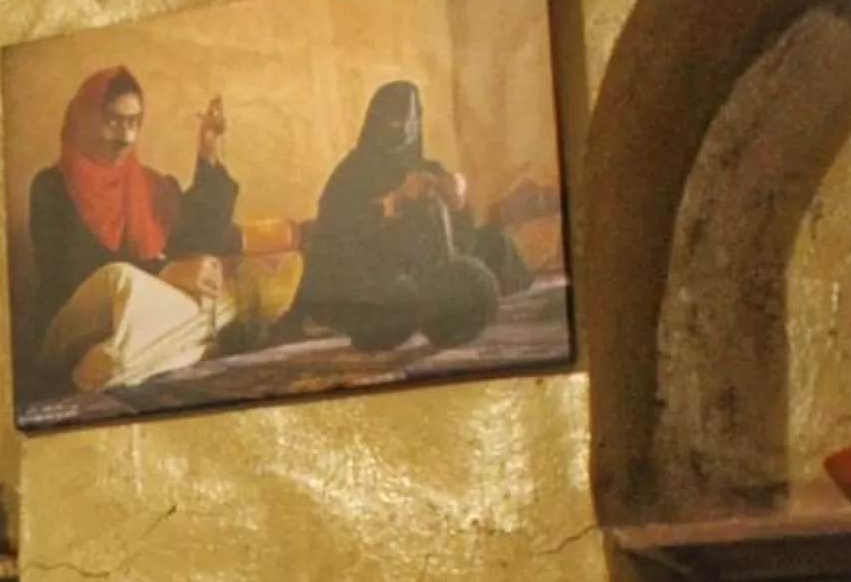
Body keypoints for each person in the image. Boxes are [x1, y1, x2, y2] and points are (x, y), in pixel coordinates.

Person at [26, 68, 240, 393]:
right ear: (85, 118)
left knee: (223, 298)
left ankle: (114, 362)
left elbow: (195, 237)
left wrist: (207, 151)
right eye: (113, 121)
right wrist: (167, 271)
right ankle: (181, 349)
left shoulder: (151, 185)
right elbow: (69, 273)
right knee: (122, 278)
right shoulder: (51, 187)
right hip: (74, 326)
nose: (125, 137)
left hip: (135, 321)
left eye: (134, 123)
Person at [291, 80, 503, 354]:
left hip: (424, 277)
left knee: (495, 246)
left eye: (410, 120)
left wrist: (457, 203)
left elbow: (462, 241)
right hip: (363, 280)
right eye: (393, 120)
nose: (402, 128)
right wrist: (394, 201)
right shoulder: (351, 173)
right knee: (398, 300)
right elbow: (335, 235)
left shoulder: (426, 168)